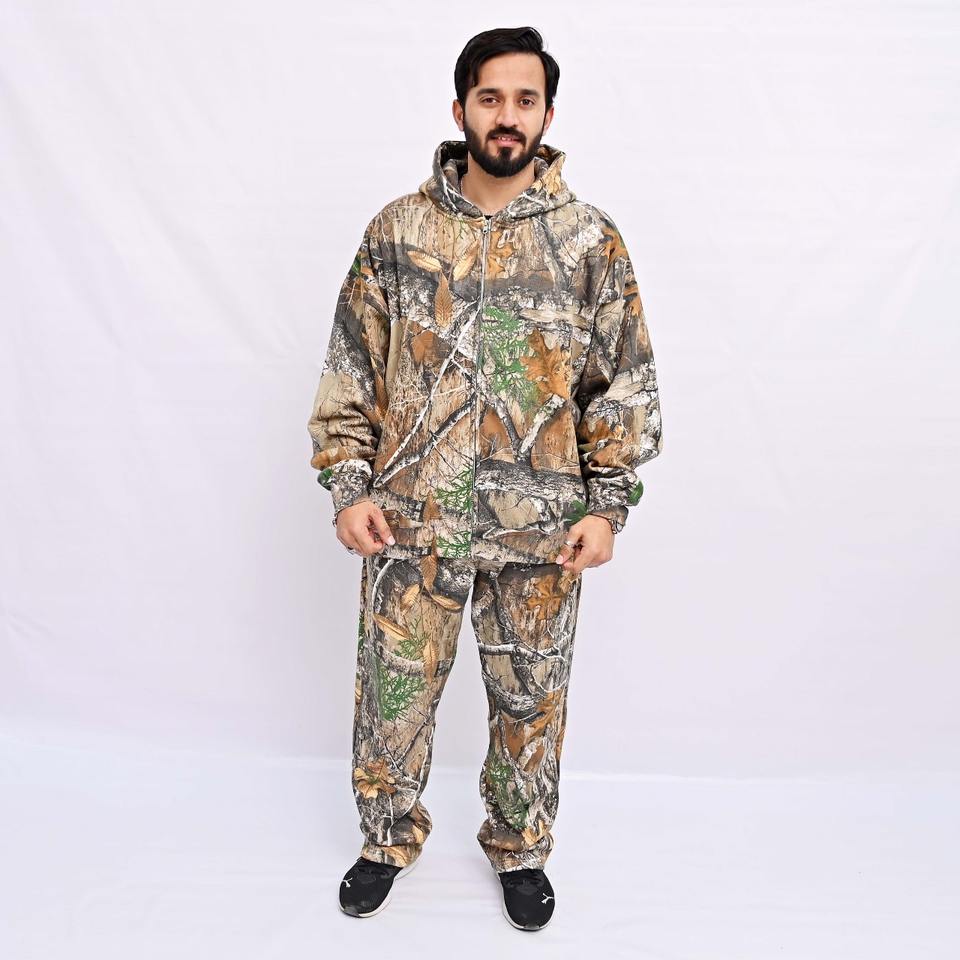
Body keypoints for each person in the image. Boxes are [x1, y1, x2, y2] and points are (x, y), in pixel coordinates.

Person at [307, 25, 663, 930]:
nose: (508, 116)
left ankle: (521, 848)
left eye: (525, 100)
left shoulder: (589, 241)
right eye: (491, 98)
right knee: (393, 696)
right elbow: (353, 364)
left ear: (548, 113)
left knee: (530, 704)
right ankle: (385, 839)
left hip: (541, 531)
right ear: (460, 107)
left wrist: (609, 507)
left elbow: (621, 384)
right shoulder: (398, 232)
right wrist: (349, 486)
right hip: (410, 522)